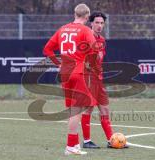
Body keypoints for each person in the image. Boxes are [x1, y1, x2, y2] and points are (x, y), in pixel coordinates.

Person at [43, 4, 98, 155]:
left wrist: (58, 63)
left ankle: (74, 145)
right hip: (78, 72)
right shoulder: (86, 29)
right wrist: (89, 63)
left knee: (73, 110)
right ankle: (70, 146)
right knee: (78, 110)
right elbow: (95, 49)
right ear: (87, 17)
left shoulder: (63, 29)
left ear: (75, 14)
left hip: (65, 74)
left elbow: (47, 49)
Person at [81, 12, 129, 149]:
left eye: (102, 23)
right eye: (97, 22)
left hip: (98, 79)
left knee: (104, 110)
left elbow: (99, 59)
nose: (99, 25)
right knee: (88, 109)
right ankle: (86, 141)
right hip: (88, 78)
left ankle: (111, 140)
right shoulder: (85, 38)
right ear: (91, 23)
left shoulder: (102, 40)